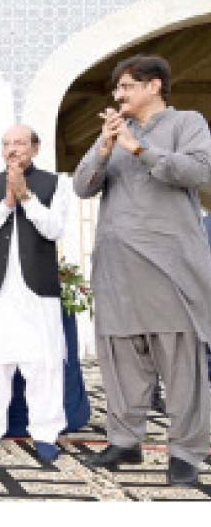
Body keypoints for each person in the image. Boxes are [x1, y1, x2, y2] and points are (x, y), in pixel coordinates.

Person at [73, 54, 211, 486]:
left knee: (180, 361)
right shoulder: (113, 134)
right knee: (120, 359)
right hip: (117, 268)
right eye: (117, 89)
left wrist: (139, 148)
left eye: (127, 87)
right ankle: (124, 442)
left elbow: (197, 171)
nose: (118, 96)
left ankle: (186, 452)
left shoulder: (187, 123)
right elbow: (82, 186)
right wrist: (106, 145)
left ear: (154, 86)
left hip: (170, 266)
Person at [0, 125, 69, 462]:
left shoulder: (55, 184)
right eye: (7, 143)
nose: (13, 149)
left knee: (44, 364)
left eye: (20, 143)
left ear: (35, 149)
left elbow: (54, 228)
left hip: (37, 290)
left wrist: (26, 196)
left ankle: (46, 433)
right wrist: (7, 203)